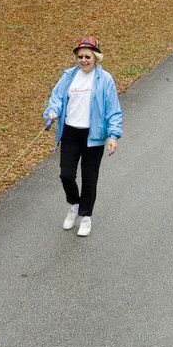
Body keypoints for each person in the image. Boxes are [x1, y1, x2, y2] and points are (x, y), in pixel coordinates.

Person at [43, 36, 123, 237]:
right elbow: (57, 99)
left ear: (96, 57)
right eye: (80, 57)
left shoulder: (105, 80)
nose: (84, 60)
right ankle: (74, 205)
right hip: (70, 133)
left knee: (89, 178)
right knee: (66, 174)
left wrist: (113, 135)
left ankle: (86, 217)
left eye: (88, 56)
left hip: (93, 135)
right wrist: (52, 112)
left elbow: (113, 110)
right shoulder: (68, 76)